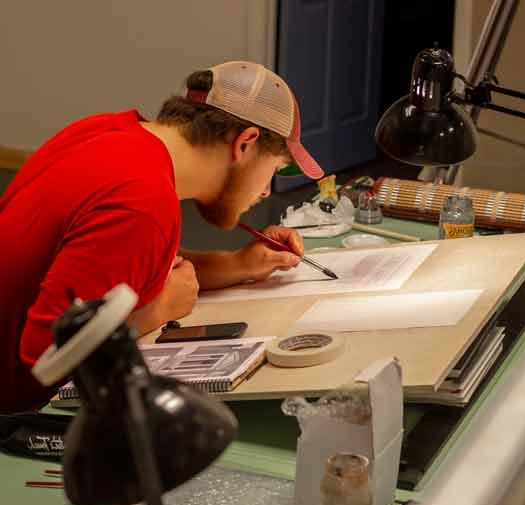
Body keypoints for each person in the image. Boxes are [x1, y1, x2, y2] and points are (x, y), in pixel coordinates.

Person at [0, 61, 324, 412]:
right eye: (274, 169)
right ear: (245, 144)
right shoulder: (142, 201)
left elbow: (123, 263)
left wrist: (238, 265)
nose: (265, 192)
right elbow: (46, 359)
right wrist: (158, 310)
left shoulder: (107, 130)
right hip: (19, 409)